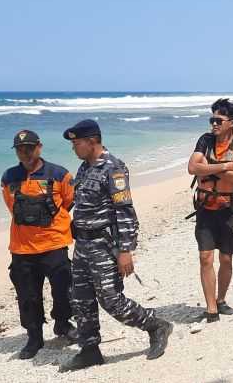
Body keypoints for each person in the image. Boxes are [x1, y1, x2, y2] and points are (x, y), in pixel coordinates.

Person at [60, 119, 172, 372]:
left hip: (103, 245)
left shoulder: (113, 168)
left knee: (111, 300)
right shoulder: (84, 168)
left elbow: (124, 211)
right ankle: (90, 350)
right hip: (83, 245)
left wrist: (125, 251)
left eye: (76, 143)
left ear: (92, 142)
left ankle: (155, 325)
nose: (74, 148)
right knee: (81, 299)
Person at [0, 129, 77, 359]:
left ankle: (62, 324)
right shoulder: (9, 177)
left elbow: (69, 200)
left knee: (64, 290)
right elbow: (10, 205)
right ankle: (34, 337)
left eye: (29, 148)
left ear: (39, 147)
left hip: (54, 244)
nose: (25, 153)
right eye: (20, 149)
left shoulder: (59, 174)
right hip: (22, 248)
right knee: (28, 296)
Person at [187, 98, 233, 323]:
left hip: (230, 210)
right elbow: (192, 167)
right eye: (211, 119)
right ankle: (211, 309)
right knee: (205, 257)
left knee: (226, 258)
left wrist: (208, 168)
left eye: (218, 120)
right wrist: (224, 165)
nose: (213, 124)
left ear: (231, 122)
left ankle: (221, 300)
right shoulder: (205, 140)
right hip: (206, 209)